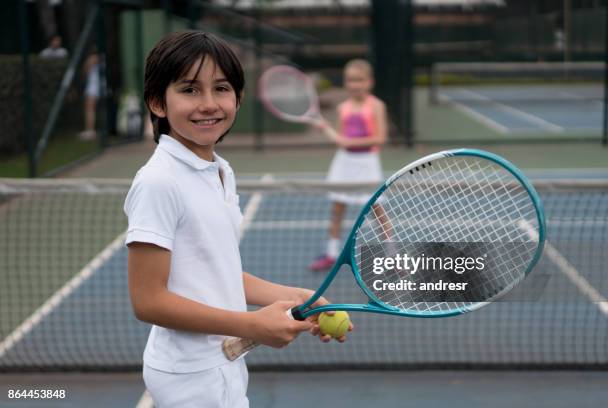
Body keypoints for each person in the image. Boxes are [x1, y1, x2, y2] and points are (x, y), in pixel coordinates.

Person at [124, 31, 351, 408]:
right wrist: (253, 325)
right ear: (157, 102)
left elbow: (214, 270)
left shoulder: (218, 171)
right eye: (190, 90)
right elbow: (148, 301)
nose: (209, 104)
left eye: (221, 89)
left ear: (238, 98)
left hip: (221, 362)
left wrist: (298, 297)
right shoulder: (159, 182)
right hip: (190, 376)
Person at [309, 59, 388, 271]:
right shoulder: (343, 108)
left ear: (369, 82)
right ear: (346, 82)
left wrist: (349, 142)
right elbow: (340, 137)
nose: (355, 84)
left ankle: (393, 254)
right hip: (344, 163)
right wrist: (326, 129)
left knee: (377, 210)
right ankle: (331, 254)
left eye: (360, 80)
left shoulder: (377, 106)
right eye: (351, 80)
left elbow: (380, 138)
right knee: (337, 209)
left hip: (367, 164)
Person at [78, 51, 100, 140]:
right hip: (94, 86)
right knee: (90, 108)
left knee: (89, 108)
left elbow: (85, 71)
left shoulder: (93, 58)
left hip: (93, 87)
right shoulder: (99, 59)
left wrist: (87, 63)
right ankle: (90, 130)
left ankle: (90, 130)